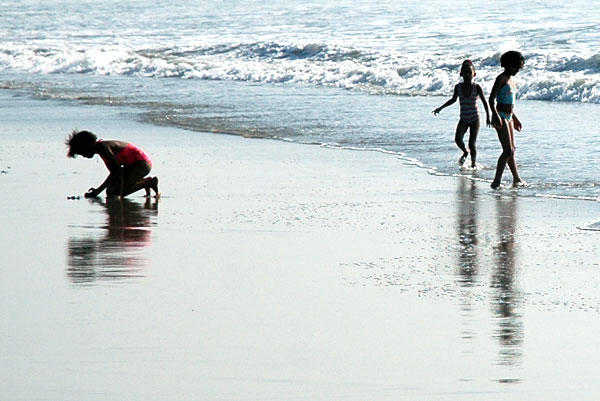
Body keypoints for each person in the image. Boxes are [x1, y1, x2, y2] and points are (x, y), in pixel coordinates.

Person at [65, 130, 160, 198]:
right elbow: (114, 173)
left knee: (113, 192)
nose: (84, 156)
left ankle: (149, 182)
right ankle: (146, 182)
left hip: (141, 164)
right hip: (133, 166)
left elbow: (118, 171)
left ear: (87, 147)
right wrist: (97, 191)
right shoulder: (101, 150)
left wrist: (118, 192)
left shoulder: (103, 148)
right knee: (111, 191)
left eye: (82, 153)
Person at [432, 60, 491, 168]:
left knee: (472, 143)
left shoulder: (477, 87)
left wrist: (488, 116)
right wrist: (441, 108)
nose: (467, 75)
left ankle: (473, 164)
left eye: (469, 72)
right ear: (461, 74)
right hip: (463, 118)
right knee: (458, 139)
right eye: (465, 72)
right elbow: (453, 99)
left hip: (475, 118)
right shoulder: (458, 87)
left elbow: (484, 102)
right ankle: (465, 152)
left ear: (474, 74)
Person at [488, 51, 526, 189]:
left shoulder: (512, 80)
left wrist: (515, 118)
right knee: (507, 150)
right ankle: (496, 182)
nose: (517, 70)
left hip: (509, 117)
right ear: (508, 65)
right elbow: (491, 99)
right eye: (516, 67)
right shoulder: (501, 78)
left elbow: (510, 102)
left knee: (512, 149)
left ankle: (516, 179)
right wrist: (494, 114)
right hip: (500, 115)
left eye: (519, 68)